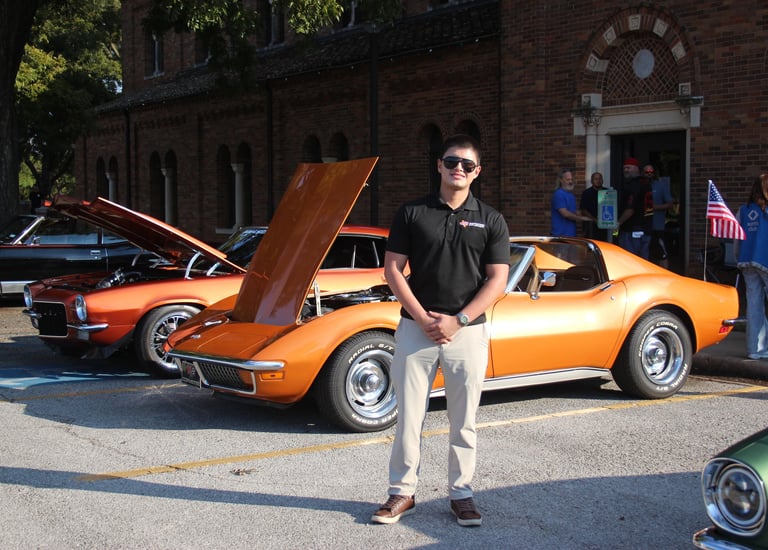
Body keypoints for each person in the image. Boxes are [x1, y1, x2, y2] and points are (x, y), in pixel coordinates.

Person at [372, 134, 510, 527]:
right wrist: (423, 319)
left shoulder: (491, 219)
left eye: (467, 165)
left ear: (477, 172)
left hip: (467, 331)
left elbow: (497, 280)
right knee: (408, 416)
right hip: (416, 329)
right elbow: (393, 270)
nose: (458, 169)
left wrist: (458, 320)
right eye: (451, 162)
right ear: (439, 165)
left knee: (463, 419)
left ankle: (461, 494)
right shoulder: (412, 212)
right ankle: (402, 492)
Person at [736, 174, 768, 360]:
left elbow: (737, 238)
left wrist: (737, 257)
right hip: (765, 260)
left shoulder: (744, 210)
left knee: (754, 305)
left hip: (747, 261)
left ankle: (755, 349)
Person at [616, 157, 653, 259]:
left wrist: (618, 223)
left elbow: (630, 209)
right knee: (643, 261)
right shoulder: (646, 184)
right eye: (624, 168)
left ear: (636, 168)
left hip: (631, 230)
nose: (626, 170)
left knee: (630, 260)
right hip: (646, 230)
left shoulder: (632, 185)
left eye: (628, 167)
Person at [645, 164, 674, 268]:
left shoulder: (661, 185)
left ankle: (664, 275)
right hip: (642, 227)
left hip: (657, 226)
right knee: (644, 254)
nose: (649, 174)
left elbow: (670, 204)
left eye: (651, 172)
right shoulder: (640, 185)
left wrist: (655, 207)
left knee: (661, 253)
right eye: (646, 172)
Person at [550, 168, 591, 237]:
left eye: (571, 179)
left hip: (571, 235)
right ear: (561, 180)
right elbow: (565, 214)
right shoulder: (558, 194)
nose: (571, 181)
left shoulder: (571, 195)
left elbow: (573, 212)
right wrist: (582, 218)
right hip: (560, 235)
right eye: (568, 179)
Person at [579, 171, 609, 240]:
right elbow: (583, 209)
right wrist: (595, 220)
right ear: (592, 181)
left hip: (605, 225)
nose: (598, 181)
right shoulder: (586, 193)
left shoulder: (607, 192)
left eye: (600, 179)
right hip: (591, 226)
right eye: (596, 179)